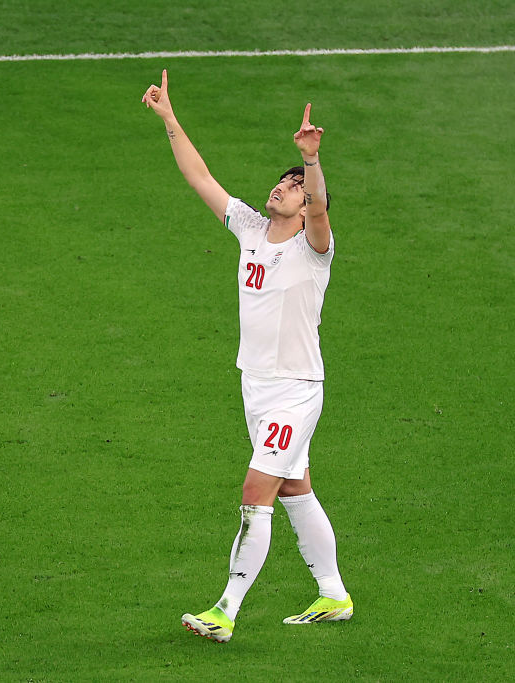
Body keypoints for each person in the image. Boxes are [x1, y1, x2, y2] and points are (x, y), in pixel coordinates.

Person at [142, 70, 351, 643]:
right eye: (281, 181)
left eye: (293, 185)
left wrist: (310, 159)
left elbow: (321, 205)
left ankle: (226, 609)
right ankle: (334, 594)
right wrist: (169, 120)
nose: (280, 188)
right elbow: (200, 176)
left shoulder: (315, 249)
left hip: (296, 389)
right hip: (255, 386)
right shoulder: (252, 230)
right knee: (294, 485)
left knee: (256, 488)